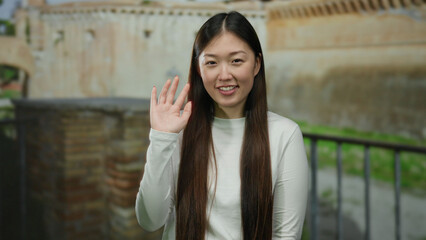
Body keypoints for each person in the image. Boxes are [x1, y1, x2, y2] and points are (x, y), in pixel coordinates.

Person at [135, 11, 309, 240]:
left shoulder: (284, 134)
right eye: (212, 63)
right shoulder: (178, 132)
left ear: (256, 64)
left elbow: (286, 235)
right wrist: (160, 138)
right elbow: (150, 221)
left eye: (236, 60)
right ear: (199, 69)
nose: (224, 75)